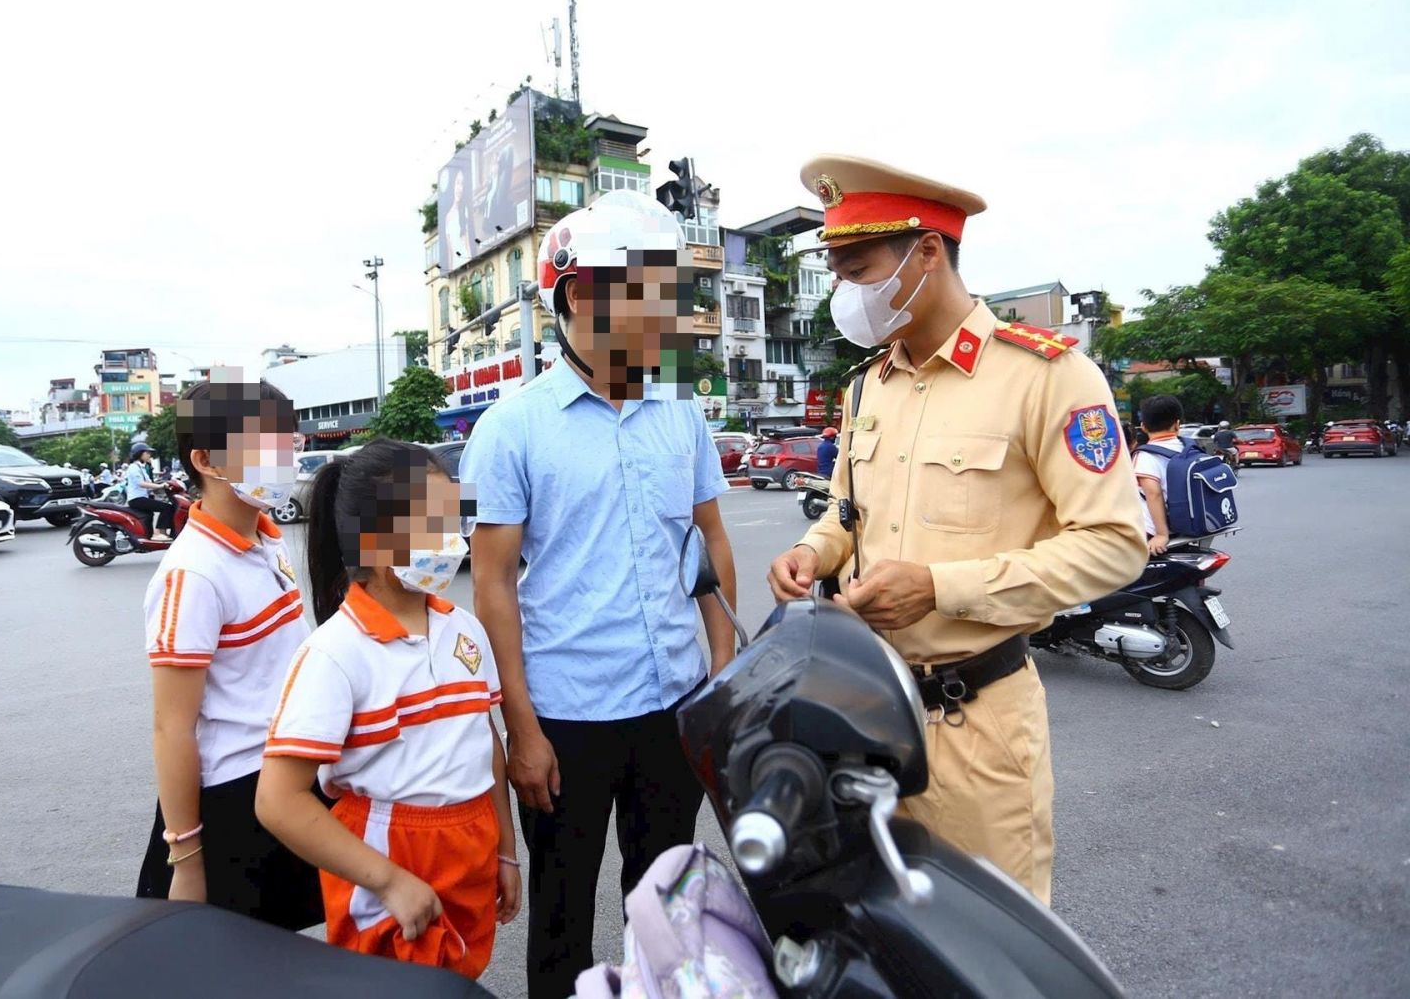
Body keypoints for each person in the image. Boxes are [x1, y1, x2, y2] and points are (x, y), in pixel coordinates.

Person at [766, 155, 1146, 906]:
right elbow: (846, 512)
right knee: (877, 938)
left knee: (990, 952)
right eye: (836, 271)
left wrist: (940, 588)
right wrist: (813, 552)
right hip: (866, 711)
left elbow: (1115, 542)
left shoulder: (1046, 376)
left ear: (927, 252)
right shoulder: (869, 384)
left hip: (980, 726)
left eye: (858, 266)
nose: (845, 291)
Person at [462, 189, 738, 998]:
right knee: (561, 921)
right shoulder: (511, 428)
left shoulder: (680, 415)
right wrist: (522, 731)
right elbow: (492, 586)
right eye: (651, 288)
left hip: (672, 710)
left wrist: (719, 669)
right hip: (567, 718)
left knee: (667, 909)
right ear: (581, 295)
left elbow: (710, 541)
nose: (670, 311)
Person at [256, 440, 519, 980]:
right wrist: (387, 881)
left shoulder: (464, 631)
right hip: (390, 851)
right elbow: (278, 800)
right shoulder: (334, 654)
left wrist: (506, 850)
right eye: (430, 525)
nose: (450, 543)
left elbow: (483, 741)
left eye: (452, 522)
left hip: (472, 844)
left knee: (460, 980)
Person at [135, 374, 323, 930]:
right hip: (232, 802)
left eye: (287, 440)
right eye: (262, 445)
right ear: (206, 460)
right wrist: (188, 860)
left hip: (289, 777)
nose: (284, 456)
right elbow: (173, 727)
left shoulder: (267, 536)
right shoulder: (192, 573)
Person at [1134, 394, 1185, 556]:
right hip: (1184, 522)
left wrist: (1161, 534)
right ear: (1177, 424)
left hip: (1152, 530)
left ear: (1143, 427)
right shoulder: (1187, 448)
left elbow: (1153, 493)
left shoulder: (1145, 456)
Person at [126, 446, 179, 541]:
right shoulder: (133, 467)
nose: (149, 455)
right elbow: (141, 483)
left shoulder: (142, 467)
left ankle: (156, 534)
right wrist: (160, 486)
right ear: (139, 454)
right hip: (136, 499)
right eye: (147, 453)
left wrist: (165, 482)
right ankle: (159, 533)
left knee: (152, 514)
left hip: (142, 497)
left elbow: (150, 482)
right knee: (166, 507)